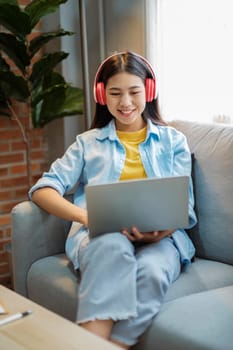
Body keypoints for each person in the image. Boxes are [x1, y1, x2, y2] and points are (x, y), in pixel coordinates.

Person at [29, 51, 197, 349]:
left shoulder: (174, 142)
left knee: (152, 272)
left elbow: (183, 207)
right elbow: (43, 189)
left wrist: (161, 230)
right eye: (115, 93)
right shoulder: (87, 143)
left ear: (149, 90)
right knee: (112, 249)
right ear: (101, 95)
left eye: (134, 92)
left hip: (161, 239)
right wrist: (86, 217)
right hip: (102, 235)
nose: (126, 102)